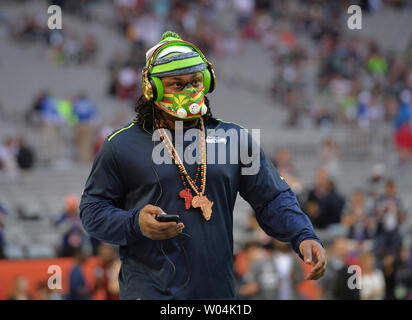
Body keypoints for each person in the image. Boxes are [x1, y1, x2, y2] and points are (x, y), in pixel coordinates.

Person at [79, 31, 326, 300]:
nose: (189, 90)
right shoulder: (120, 145)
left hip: (216, 294)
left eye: (195, 81)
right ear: (153, 88)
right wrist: (134, 222)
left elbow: (272, 198)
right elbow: (92, 211)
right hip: (150, 293)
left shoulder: (235, 139)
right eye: (177, 84)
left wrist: (303, 234)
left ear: (207, 81)